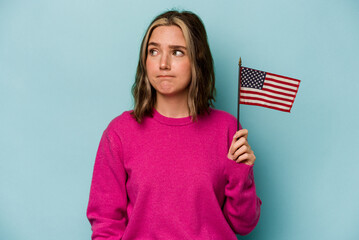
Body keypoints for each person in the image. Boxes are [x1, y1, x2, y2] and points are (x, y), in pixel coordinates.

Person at [87, 10, 261, 240]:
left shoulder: (227, 128)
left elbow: (244, 224)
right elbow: (106, 223)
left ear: (197, 60)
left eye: (177, 52)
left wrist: (241, 174)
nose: (163, 64)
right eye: (154, 51)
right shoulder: (119, 132)